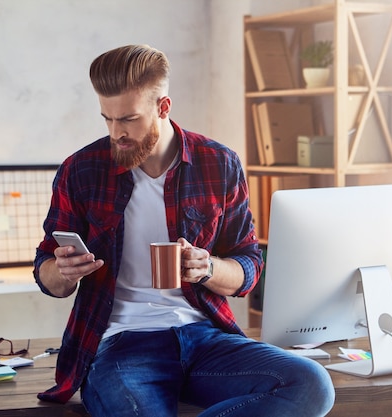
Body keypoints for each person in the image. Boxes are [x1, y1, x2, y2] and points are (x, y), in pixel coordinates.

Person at [34, 44, 335, 417]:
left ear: (163, 107)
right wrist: (62, 271)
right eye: (107, 119)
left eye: (128, 119)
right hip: (121, 346)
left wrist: (207, 268)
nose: (116, 133)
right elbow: (47, 271)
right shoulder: (81, 169)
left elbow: (249, 267)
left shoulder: (218, 163)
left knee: (311, 384)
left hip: (205, 338)